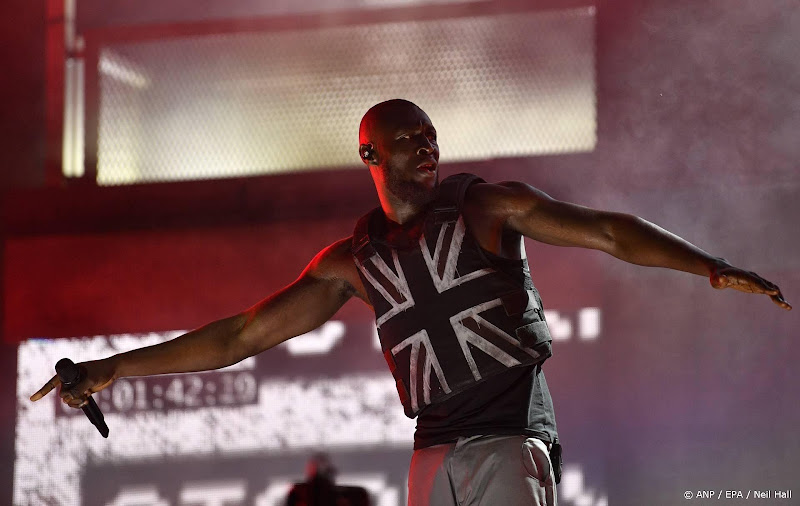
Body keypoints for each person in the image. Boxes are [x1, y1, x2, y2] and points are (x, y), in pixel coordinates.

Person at [30, 99, 790, 506]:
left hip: (507, 441)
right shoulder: (353, 260)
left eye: (431, 135)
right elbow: (239, 336)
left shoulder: (486, 206)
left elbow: (608, 232)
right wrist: (114, 367)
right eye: (408, 138)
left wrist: (710, 266)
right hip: (431, 458)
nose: (427, 147)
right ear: (371, 153)